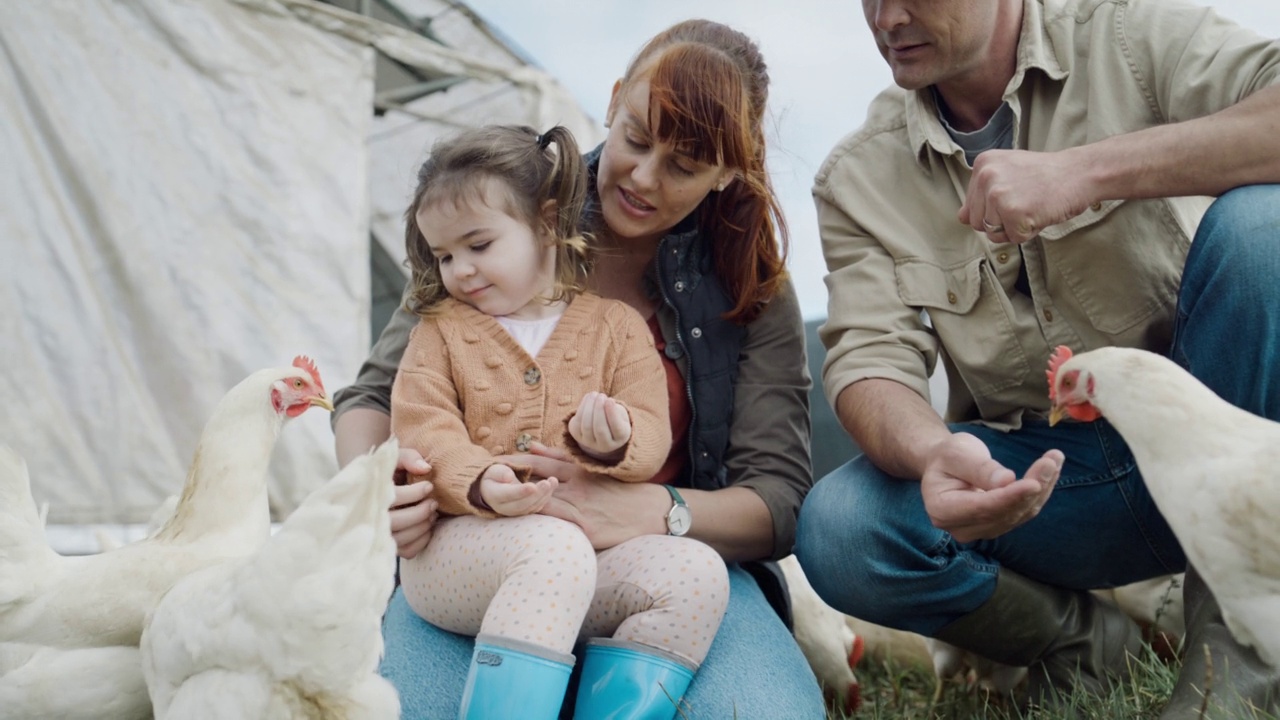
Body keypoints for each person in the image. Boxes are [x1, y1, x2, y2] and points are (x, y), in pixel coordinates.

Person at [796, 0, 1280, 716]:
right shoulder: (856, 177)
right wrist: (933, 453)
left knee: (1261, 229)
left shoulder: (1128, 34)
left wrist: (1089, 172)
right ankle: (1080, 642)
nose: (888, 18)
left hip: (1219, 460)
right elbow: (870, 361)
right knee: (843, 526)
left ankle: (1232, 664)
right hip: (1054, 490)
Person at [333, 19, 824, 720]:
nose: (645, 178)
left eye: (684, 165)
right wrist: (381, 492)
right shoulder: (506, 208)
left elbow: (777, 502)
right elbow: (375, 394)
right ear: (616, 98)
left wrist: (655, 508)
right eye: (636, 138)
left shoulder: (752, 283)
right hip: (480, 550)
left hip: (655, 559)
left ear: (728, 173)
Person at [388, 122, 731, 720]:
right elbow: (423, 426)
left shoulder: (617, 328)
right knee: (552, 549)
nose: (460, 270)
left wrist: (618, 439)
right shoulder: (438, 332)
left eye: (478, 244)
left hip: (582, 558)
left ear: (546, 224)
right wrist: (476, 479)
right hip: (457, 554)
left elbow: (650, 431)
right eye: (444, 255)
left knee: (696, 571)